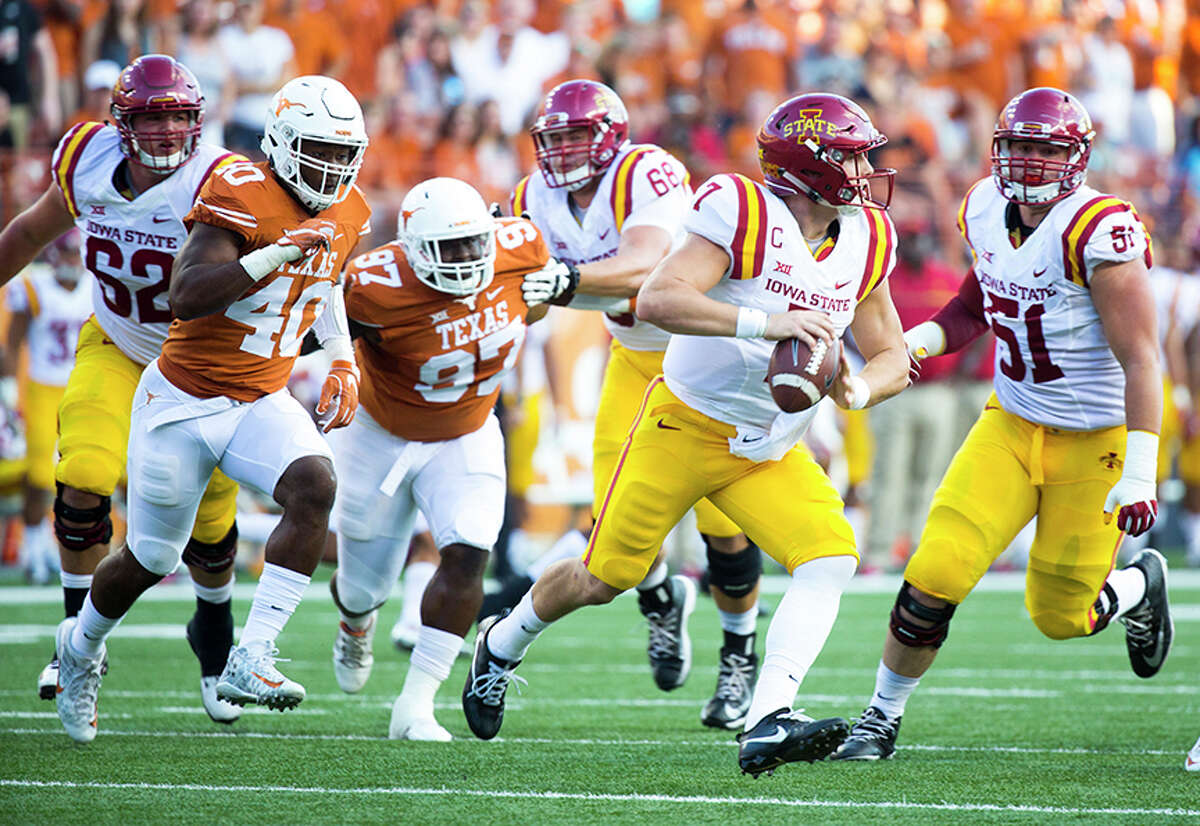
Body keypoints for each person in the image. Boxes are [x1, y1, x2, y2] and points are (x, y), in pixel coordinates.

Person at [463, 92, 910, 778]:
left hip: (765, 445)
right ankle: (502, 640)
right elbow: (660, 298)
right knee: (606, 575)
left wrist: (858, 388)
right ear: (810, 162)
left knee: (830, 556)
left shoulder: (870, 234)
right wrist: (769, 325)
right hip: (683, 423)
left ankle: (767, 718)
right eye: (851, 156)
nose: (865, 169)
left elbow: (889, 353)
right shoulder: (742, 207)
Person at [832, 87, 1172, 762]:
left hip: (1096, 441)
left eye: (1047, 150)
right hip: (1011, 424)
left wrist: (1138, 473)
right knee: (934, 574)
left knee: (1059, 617)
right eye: (1020, 146)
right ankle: (880, 717)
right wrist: (916, 345)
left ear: (1074, 159)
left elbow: (1142, 361)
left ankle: (1139, 584)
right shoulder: (984, 205)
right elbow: (975, 303)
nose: (1031, 162)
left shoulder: (1099, 231)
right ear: (999, 149)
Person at [50, 74, 370, 744]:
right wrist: (274, 254)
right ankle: (79, 649)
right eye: (318, 150)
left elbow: (328, 282)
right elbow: (187, 295)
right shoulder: (238, 192)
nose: (332, 168)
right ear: (281, 143)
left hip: (259, 397)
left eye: (344, 154)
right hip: (183, 402)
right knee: (150, 556)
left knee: (315, 485)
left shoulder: (351, 210)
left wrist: (341, 358)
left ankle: (250, 656)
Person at [510, 79, 765, 730]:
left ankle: (739, 655)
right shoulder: (529, 198)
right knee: (613, 518)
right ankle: (660, 598)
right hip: (632, 358)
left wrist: (560, 278)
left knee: (722, 521)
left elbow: (644, 265)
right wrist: (509, 277)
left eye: (574, 137)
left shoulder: (646, 171)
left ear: (609, 138)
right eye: (554, 138)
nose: (561, 151)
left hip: (703, 352)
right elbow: (530, 304)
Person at [0, 54, 246, 722]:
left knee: (212, 521)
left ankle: (213, 628)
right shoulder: (85, 157)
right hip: (116, 341)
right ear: (121, 122)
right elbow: (29, 231)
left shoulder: (219, 179)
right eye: (151, 118)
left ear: (197, 122)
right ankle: (78, 641)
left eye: (177, 118)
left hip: (200, 360)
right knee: (81, 476)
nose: (166, 132)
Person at [328, 176, 556, 741]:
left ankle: (416, 703)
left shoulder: (520, 246)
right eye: (446, 248)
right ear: (410, 247)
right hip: (379, 433)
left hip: (468, 428)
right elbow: (319, 333)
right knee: (362, 589)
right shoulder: (372, 286)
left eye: (472, 243)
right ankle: (356, 624)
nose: (463, 259)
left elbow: (541, 304)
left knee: (469, 552)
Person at [2, 230, 92, 585]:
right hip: (43, 388)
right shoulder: (33, 287)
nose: (70, 261)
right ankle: (33, 553)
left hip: (84, 386)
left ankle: (63, 552)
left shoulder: (95, 287)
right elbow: (12, 343)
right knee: (39, 476)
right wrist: (8, 388)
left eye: (75, 254)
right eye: (65, 254)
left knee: (86, 475)